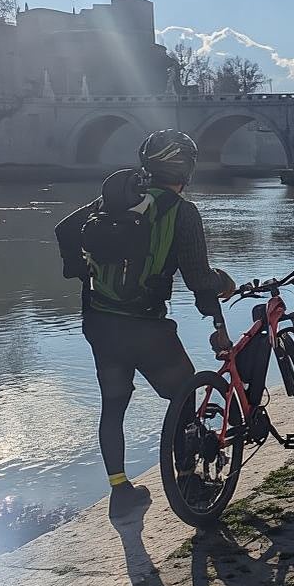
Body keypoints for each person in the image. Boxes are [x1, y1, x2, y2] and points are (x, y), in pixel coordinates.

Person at [55, 131, 235, 514]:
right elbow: (199, 279)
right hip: (146, 327)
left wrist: (81, 273)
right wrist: (222, 285)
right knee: (185, 397)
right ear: (186, 168)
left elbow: (65, 230)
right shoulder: (181, 211)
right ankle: (189, 483)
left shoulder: (116, 199)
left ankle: (120, 492)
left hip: (100, 321)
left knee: (114, 404)